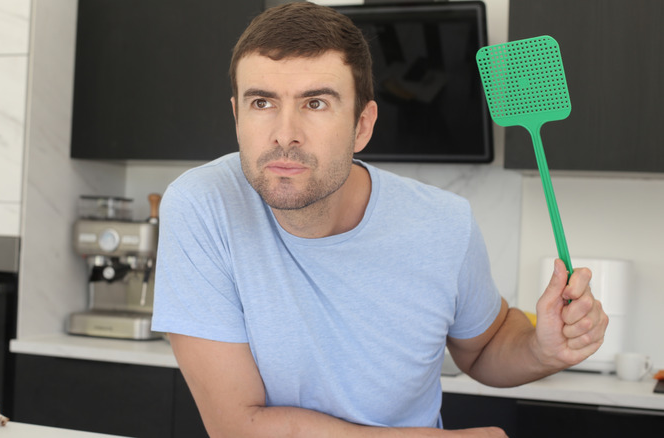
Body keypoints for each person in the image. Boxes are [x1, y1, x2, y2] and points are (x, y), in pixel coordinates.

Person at [151, 3, 608, 436]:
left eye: (315, 103)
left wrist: (541, 350)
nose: (284, 135)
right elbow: (237, 426)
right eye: (262, 103)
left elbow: (485, 347)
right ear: (237, 115)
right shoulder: (202, 206)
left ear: (363, 125)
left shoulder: (444, 223)